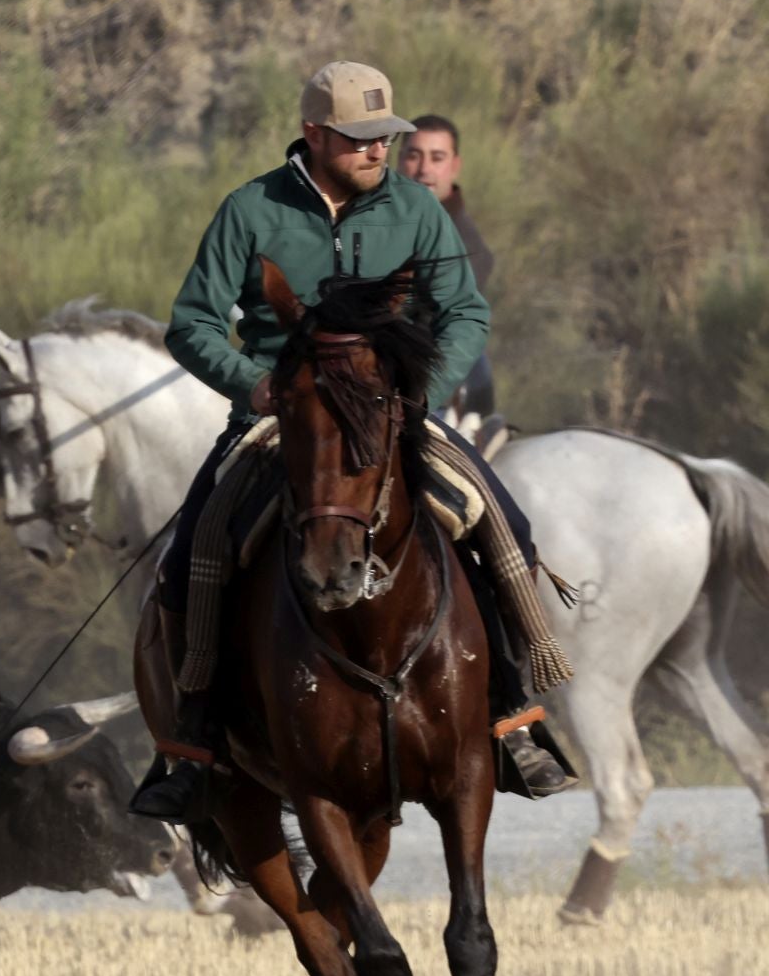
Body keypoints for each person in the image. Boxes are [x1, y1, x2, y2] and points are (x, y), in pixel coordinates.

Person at [131, 61, 572, 824]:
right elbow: (191, 324)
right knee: (193, 551)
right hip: (277, 420)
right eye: (359, 138)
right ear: (314, 133)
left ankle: (511, 717)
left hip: (393, 414)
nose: (377, 151)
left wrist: (419, 389)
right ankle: (194, 746)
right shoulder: (250, 209)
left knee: (503, 524)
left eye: (385, 137)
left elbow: (465, 311)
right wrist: (254, 384)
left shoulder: (414, 209)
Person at [399, 113, 496, 417]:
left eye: (436, 157)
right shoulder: (375, 222)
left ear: (454, 165)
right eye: (414, 156)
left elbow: (440, 327)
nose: (424, 169)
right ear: (398, 160)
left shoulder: (469, 248)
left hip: (428, 388)